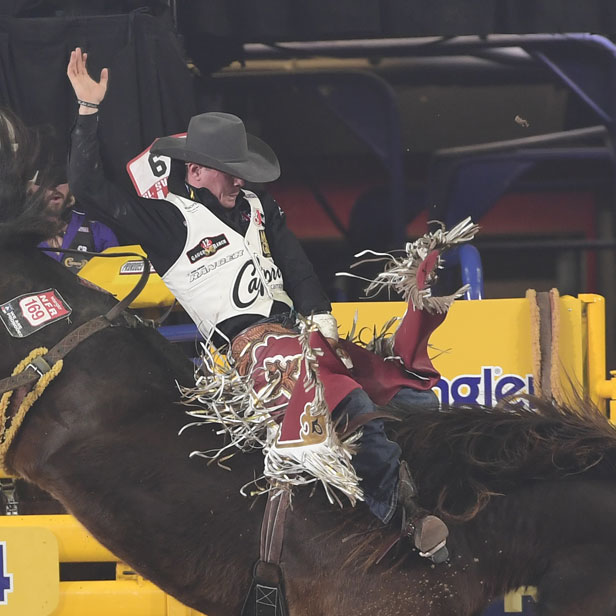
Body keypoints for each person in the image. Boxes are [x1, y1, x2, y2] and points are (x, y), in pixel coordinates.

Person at [66, 48, 449, 559]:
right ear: (197, 172)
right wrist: (88, 112)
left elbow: (296, 263)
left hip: (300, 335)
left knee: (415, 402)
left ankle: (427, 502)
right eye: (229, 170)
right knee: (354, 409)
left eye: (240, 169)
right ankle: (390, 533)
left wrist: (320, 317)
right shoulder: (167, 221)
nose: (239, 179)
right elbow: (89, 188)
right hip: (251, 351)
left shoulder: (260, 207)